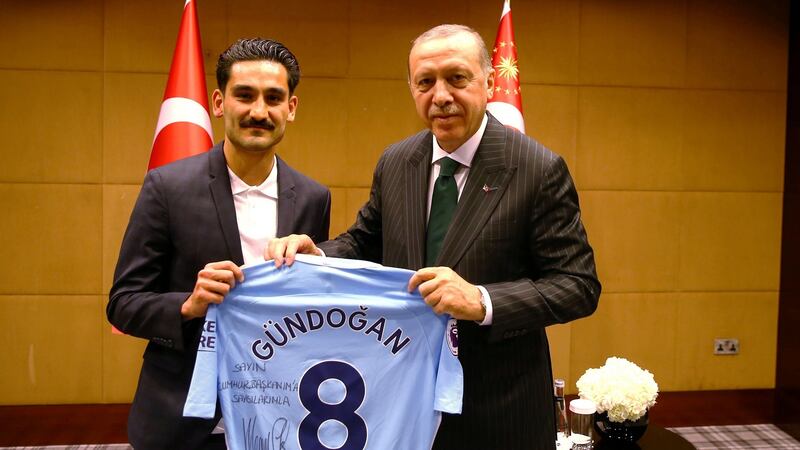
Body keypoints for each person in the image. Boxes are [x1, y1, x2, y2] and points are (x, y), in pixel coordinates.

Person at [267, 24, 600, 449]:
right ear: (411, 87)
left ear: (489, 81)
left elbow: (578, 285)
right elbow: (365, 240)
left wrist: (483, 301)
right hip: (399, 400)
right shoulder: (397, 160)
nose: (440, 95)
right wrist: (317, 253)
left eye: (456, 78)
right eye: (425, 82)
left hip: (499, 409)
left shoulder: (537, 169)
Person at [108, 38, 331, 450]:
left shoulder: (315, 197)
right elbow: (123, 302)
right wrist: (187, 305)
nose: (259, 111)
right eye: (244, 96)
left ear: (291, 108)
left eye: (273, 98)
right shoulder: (167, 187)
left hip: (281, 419)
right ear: (218, 102)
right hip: (183, 422)